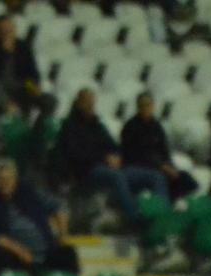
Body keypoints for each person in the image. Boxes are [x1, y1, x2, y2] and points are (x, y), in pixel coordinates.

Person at [54, 88, 167, 229]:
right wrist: (104, 158)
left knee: (155, 176)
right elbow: (76, 154)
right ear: (78, 103)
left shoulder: (97, 126)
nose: (90, 105)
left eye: (92, 102)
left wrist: (116, 156)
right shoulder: (70, 126)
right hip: (86, 171)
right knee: (116, 176)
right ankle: (136, 218)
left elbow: (113, 146)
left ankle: (162, 215)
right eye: (86, 102)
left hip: (108, 167)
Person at [0, 160, 78, 276]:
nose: (6, 183)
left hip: (44, 248)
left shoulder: (28, 193)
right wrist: (20, 251)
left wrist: (62, 233)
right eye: (2, 179)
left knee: (67, 253)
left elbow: (57, 206)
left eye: (9, 179)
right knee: (2, 257)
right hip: (13, 253)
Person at [120, 92, 198, 202]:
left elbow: (164, 149)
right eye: (142, 105)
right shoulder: (130, 127)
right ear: (138, 107)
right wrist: (162, 166)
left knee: (185, 178)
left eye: (148, 105)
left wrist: (170, 166)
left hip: (159, 166)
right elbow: (135, 154)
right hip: (138, 167)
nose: (146, 108)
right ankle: (163, 210)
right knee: (159, 177)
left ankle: (178, 207)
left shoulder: (156, 126)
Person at [0, 15, 54, 123]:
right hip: (0, 88)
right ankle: (8, 108)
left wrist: (33, 88)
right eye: (2, 30)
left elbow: (31, 73)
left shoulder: (23, 47)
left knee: (49, 100)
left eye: (8, 29)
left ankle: (38, 130)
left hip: (21, 86)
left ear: (14, 28)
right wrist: (4, 52)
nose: (6, 32)